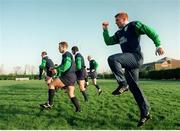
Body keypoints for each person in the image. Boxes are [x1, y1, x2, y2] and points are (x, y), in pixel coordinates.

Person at [102, 12, 164, 127]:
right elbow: (108, 42)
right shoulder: (119, 33)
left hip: (135, 57)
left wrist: (158, 45)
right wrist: (105, 30)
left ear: (124, 19)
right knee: (135, 88)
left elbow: (150, 31)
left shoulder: (133, 25)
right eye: (115, 21)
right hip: (129, 62)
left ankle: (122, 83)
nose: (115, 22)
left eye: (117, 20)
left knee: (112, 59)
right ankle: (145, 114)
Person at [40, 41, 81, 112]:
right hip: (72, 77)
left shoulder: (66, 54)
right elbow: (65, 65)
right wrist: (55, 68)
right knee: (71, 94)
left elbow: (65, 66)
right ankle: (79, 109)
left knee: (51, 85)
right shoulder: (68, 55)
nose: (58, 49)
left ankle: (50, 104)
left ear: (64, 47)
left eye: (59, 47)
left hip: (67, 76)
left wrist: (56, 69)